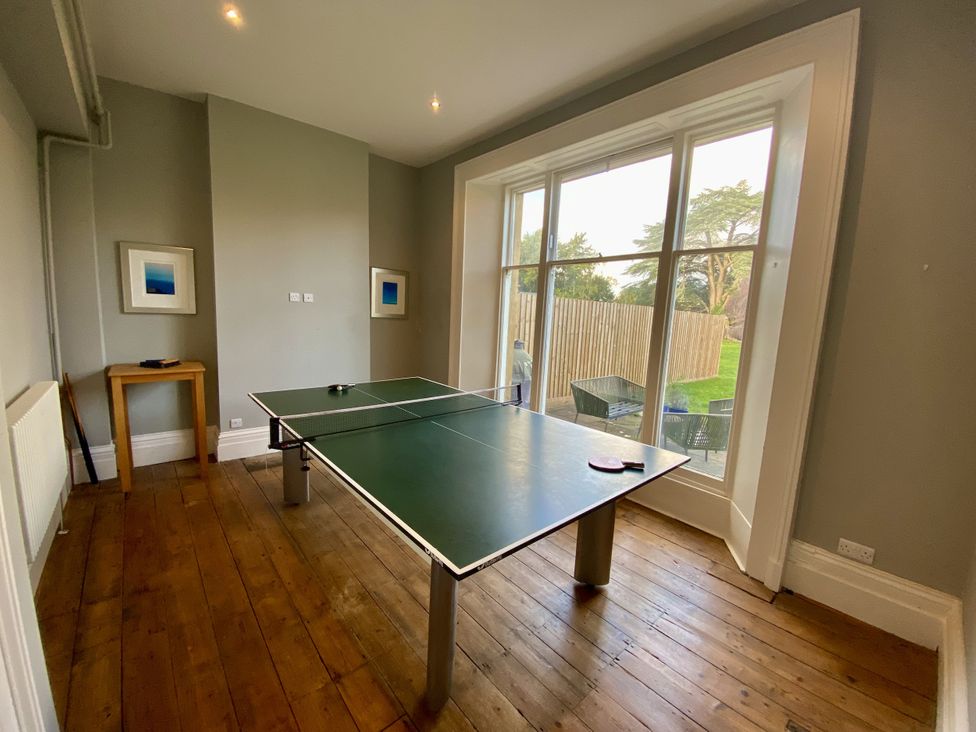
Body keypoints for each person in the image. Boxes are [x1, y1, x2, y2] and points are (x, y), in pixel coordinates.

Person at [512, 339, 532, 406]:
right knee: (524, 401)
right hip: (527, 382)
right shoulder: (527, 356)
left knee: (514, 401)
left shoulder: (511, 354)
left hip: (515, 383)